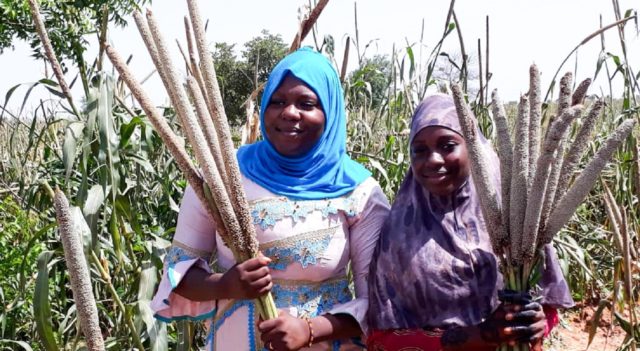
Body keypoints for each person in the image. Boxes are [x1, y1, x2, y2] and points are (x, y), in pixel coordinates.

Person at [151, 47, 390, 351]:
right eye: (277, 101)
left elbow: (379, 302)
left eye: (307, 103)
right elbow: (179, 271)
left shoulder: (360, 191)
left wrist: (310, 330)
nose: (289, 112)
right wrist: (226, 285)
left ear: (330, 111)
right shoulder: (221, 174)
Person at [366, 94, 574, 351]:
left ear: (473, 148)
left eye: (447, 145)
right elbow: (381, 339)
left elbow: (547, 305)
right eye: (420, 150)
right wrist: (479, 336)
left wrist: (535, 324)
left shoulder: (516, 215)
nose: (433, 159)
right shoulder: (398, 234)